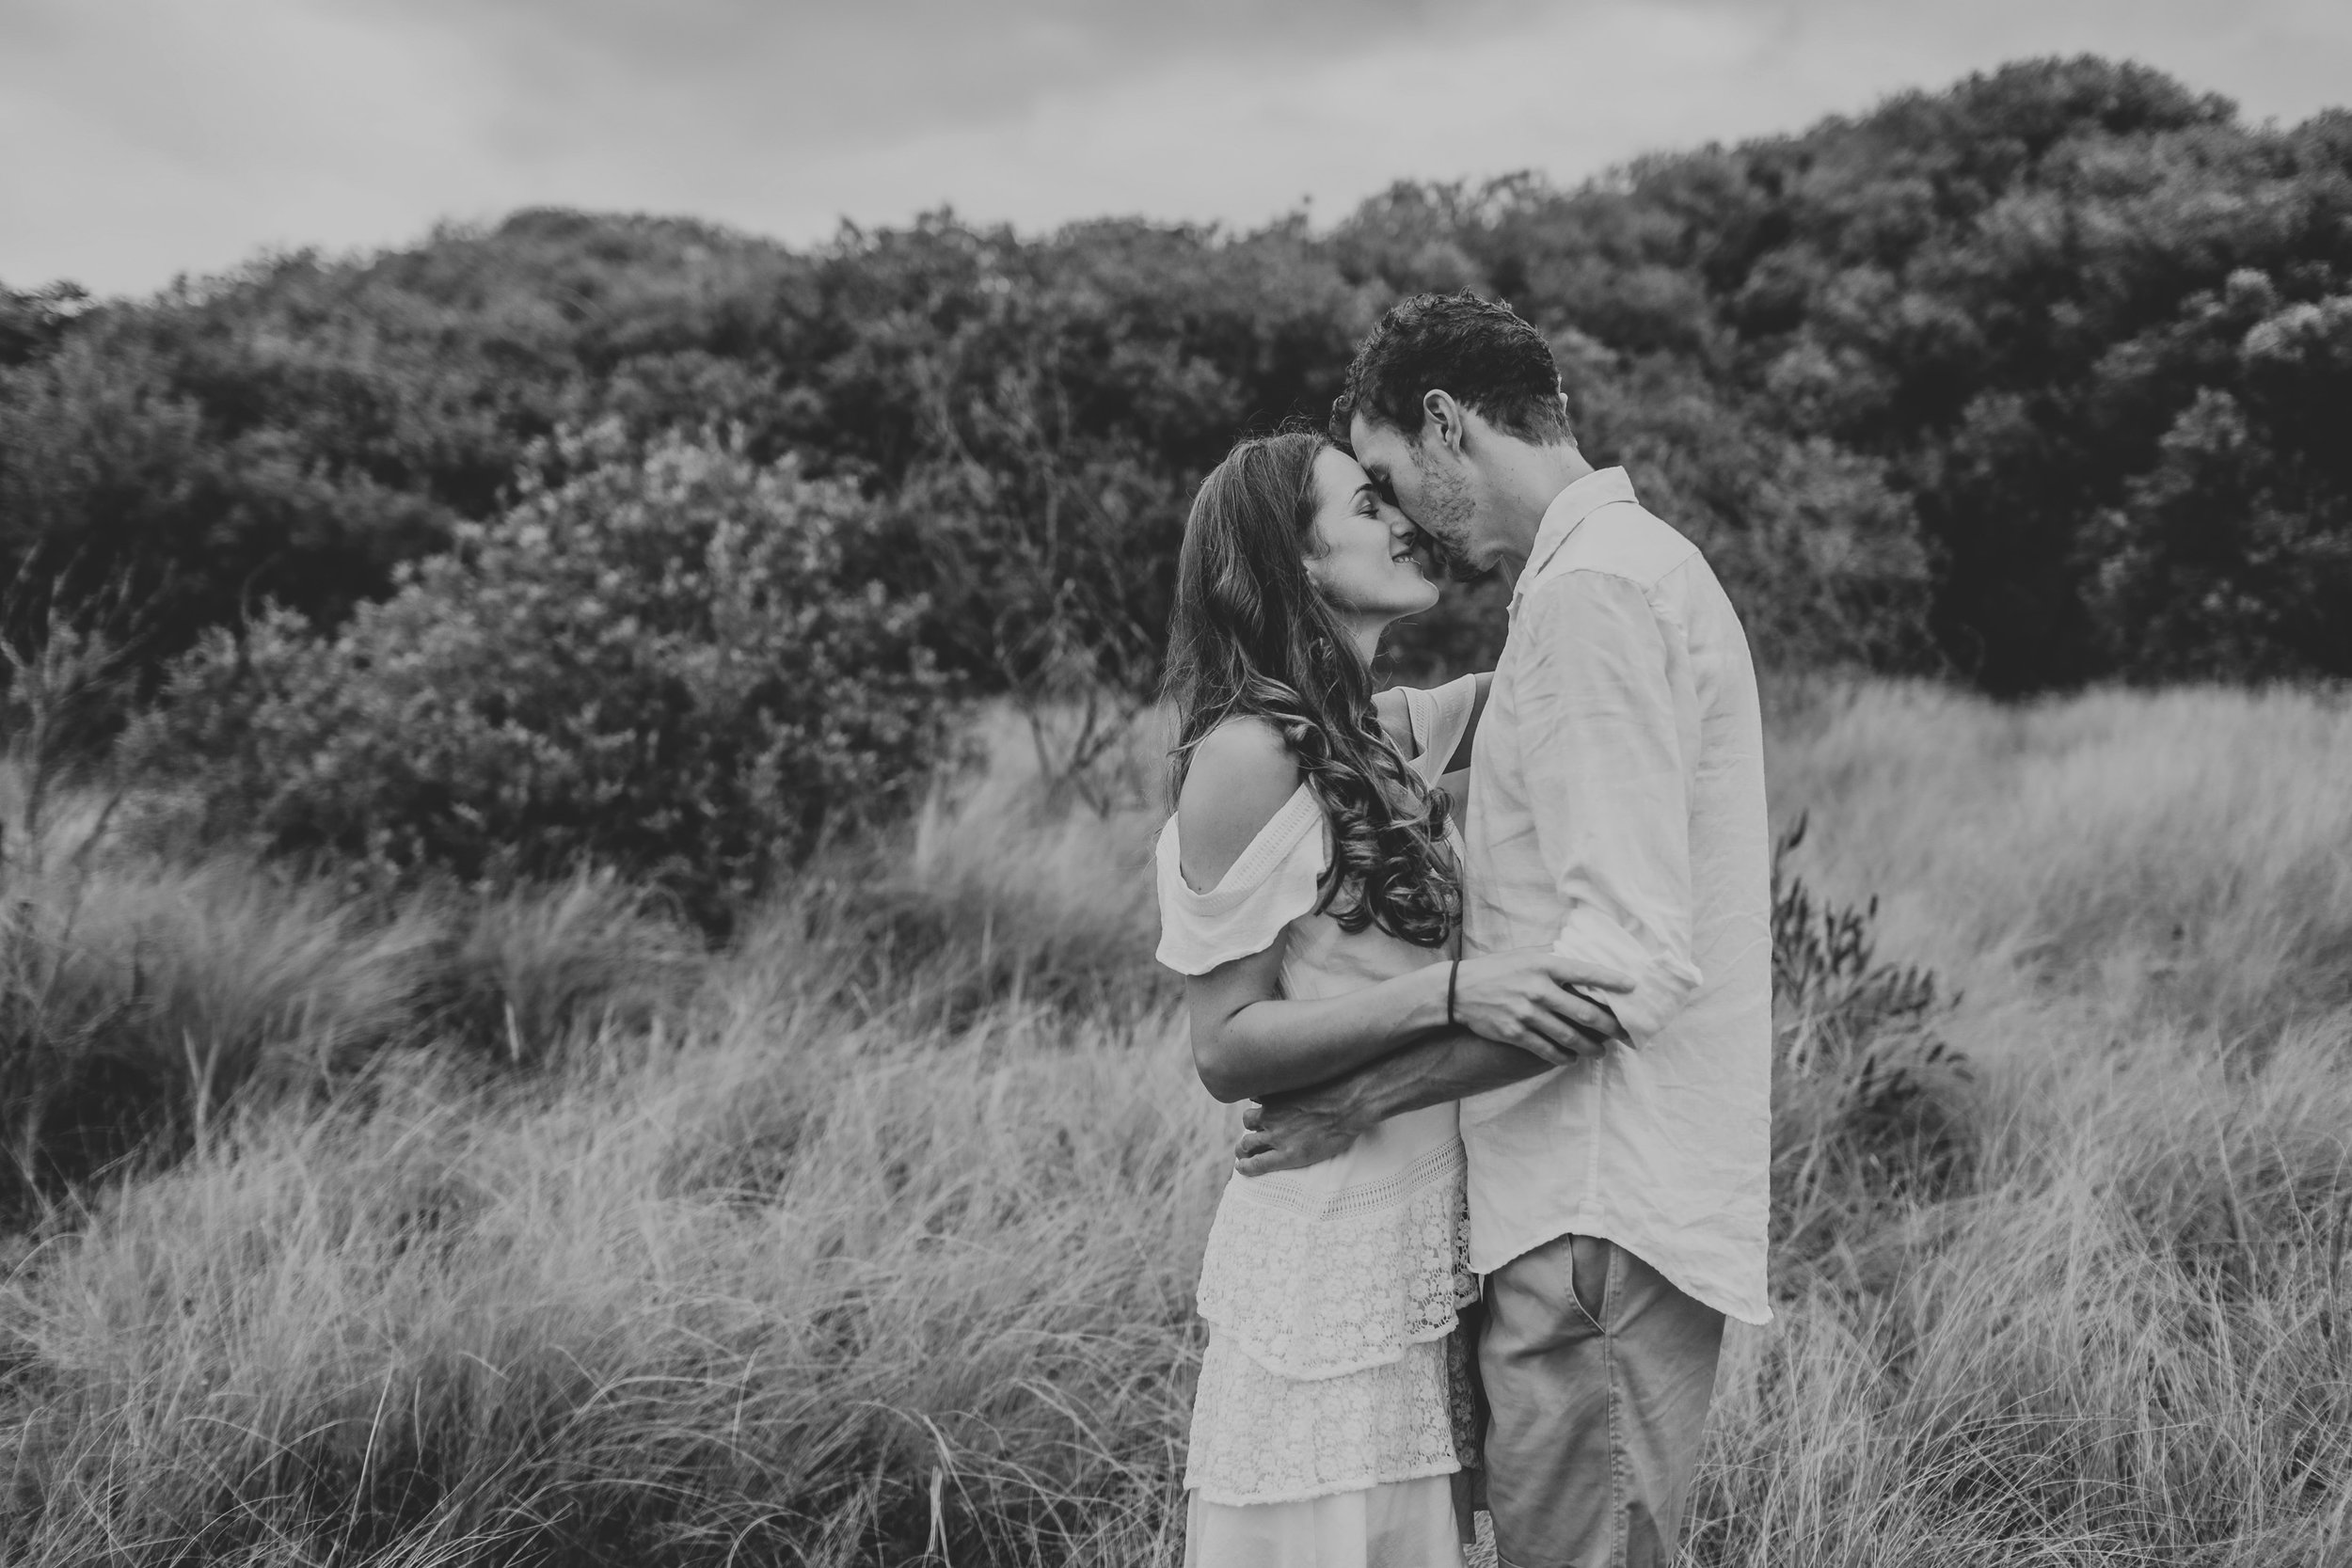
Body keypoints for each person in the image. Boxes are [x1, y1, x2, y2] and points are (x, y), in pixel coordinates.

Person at [1237, 293, 1774, 1568]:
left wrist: (1362, 1094)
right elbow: (1441, 733)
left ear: (1443, 423)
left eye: (1384, 477)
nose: (1401, 512)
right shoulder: (1617, 576)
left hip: (1591, 1212)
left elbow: (1621, 967)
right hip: (1591, 1212)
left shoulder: (1593, 596)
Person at [1156, 429, 1632, 1567]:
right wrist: (1456, 993)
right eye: (1367, 503)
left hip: (1424, 1236)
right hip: (1326, 1249)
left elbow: (1568, 647)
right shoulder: (1244, 753)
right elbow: (1224, 1044)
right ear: (1297, 558)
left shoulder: (1381, 732)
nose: (1400, 518)